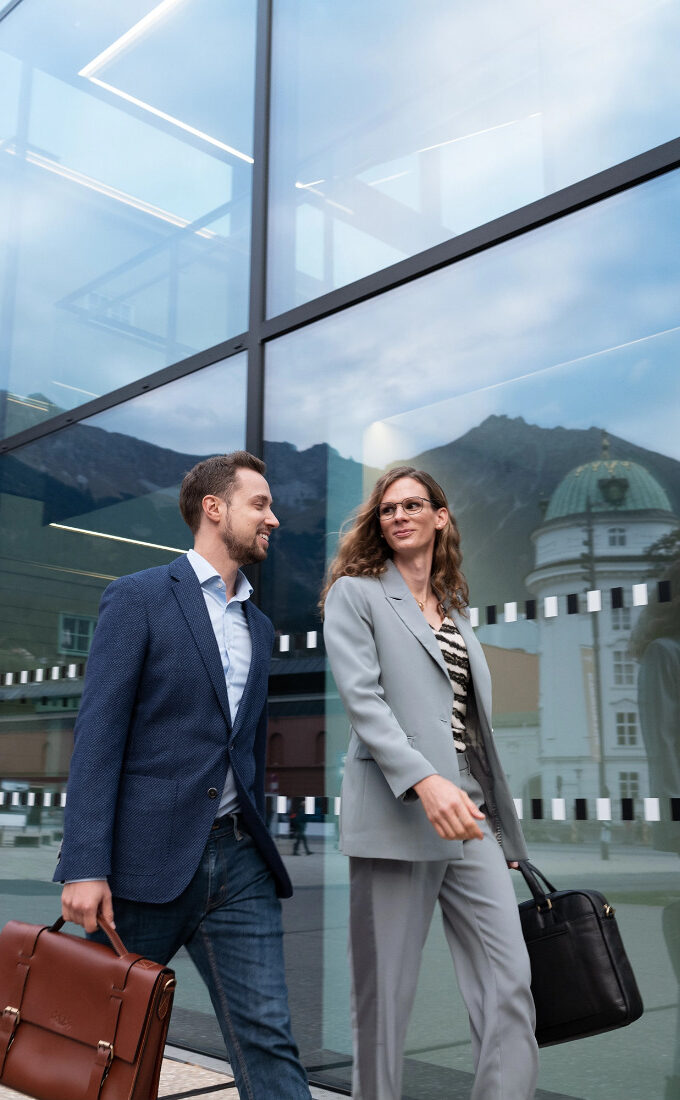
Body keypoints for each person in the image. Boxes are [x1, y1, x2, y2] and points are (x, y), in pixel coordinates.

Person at [54, 451, 312, 1100]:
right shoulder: (139, 598)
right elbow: (98, 738)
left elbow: (244, 747)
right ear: (213, 509)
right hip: (144, 867)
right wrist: (85, 864)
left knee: (269, 1037)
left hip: (239, 862)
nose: (273, 519)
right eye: (261, 504)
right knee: (100, 1041)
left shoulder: (258, 623)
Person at [321, 466, 539, 1100]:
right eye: (388, 509)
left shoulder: (456, 616)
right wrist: (424, 780)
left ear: (441, 517)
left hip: (471, 821)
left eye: (414, 505)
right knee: (383, 1005)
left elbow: (469, 726)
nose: (399, 515)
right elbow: (365, 704)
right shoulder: (355, 594)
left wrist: (490, 814)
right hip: (396, 816)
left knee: (511, 982)